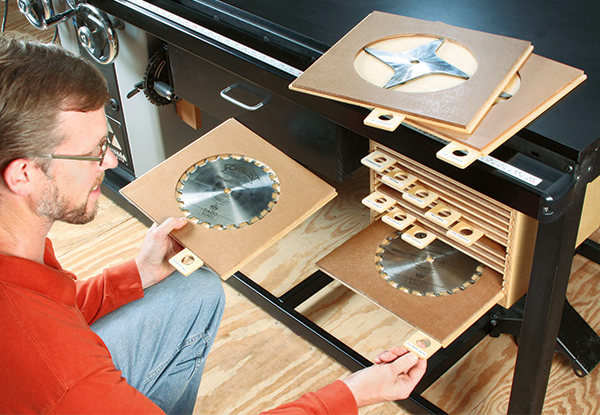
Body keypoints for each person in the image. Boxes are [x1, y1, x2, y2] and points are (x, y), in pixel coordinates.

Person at [0, 32, 426, 414]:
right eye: (95, 152)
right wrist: (353, 392)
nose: (110, 161)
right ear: (23, 174)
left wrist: (137, 274)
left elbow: (55, 309)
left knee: (193, 288)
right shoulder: (64, 379)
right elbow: (49, 346)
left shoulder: (15, 239)